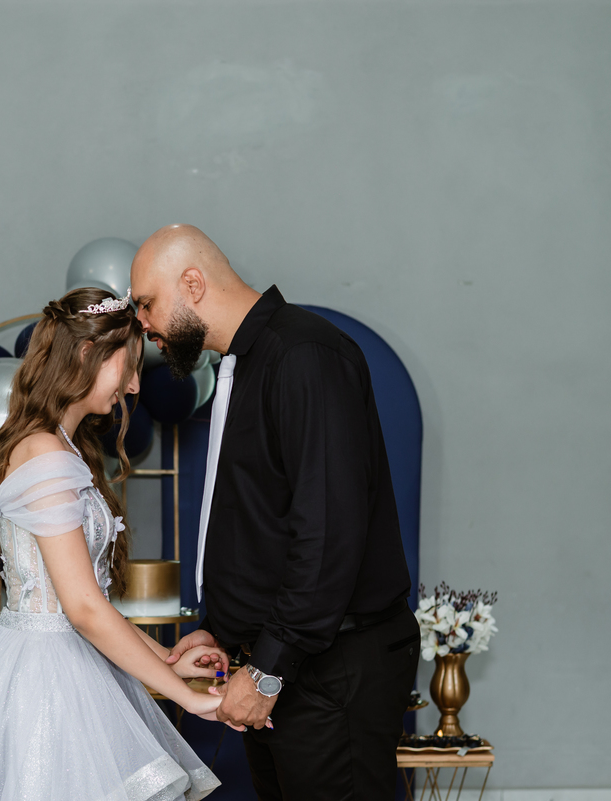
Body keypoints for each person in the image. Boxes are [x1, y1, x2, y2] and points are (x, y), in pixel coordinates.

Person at [0, 286, 240, 801]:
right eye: (128, 365)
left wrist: (167, 660)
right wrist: (187, 697)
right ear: (87, 354)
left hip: (66, 662)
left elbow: (88, 603)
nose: (135, 385)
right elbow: (83, 609)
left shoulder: (61, 446)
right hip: (43, 681)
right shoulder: (46, 453)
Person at [130, 225, 420, 800]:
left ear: (193, 284)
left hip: (330, 669)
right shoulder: (244, 363)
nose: (142, 323)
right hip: (279, 660)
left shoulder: (305, 355)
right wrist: (225, 629)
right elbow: (259, 523)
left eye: (147, 303)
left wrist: (267, 670)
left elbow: (328, 534)